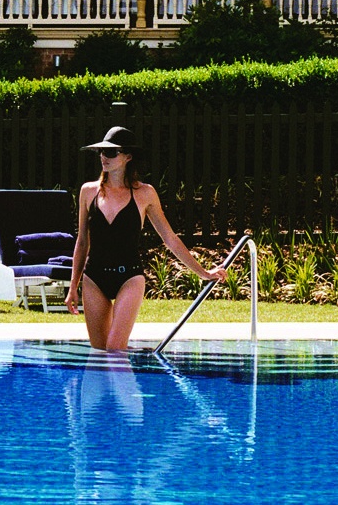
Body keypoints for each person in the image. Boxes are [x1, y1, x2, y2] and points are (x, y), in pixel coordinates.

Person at [65, 126, 226, 351]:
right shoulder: (88, 191)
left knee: (114, 347)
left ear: (128, 157)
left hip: (129, 277)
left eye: (111, 152)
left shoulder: (144, 194)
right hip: (94, 279)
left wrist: (203, 273)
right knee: (100, 350)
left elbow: (169, 238)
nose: (104, 157)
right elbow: (82, 241)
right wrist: (73, 286)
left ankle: (130, 382)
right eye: (101, 152)